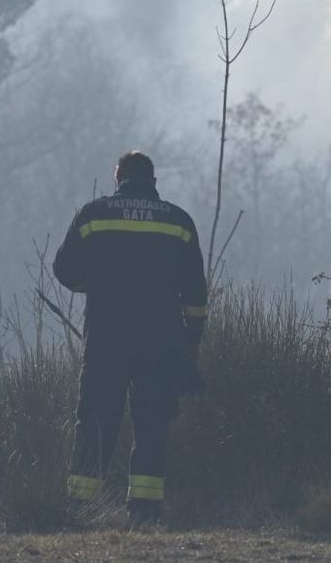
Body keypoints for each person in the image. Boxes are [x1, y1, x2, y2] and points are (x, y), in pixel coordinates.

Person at [53, 151, 208, 523]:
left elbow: (63, 269)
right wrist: (191, 343)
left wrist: (93, 285)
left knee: (94, 420)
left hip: (106, 338)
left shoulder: (93, 215)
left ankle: (82, 507)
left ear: (118, 178)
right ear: (153, 182)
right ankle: (144, 509)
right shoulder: (178, 222)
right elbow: (196, 294)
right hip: (161, 342)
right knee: (152, 422)